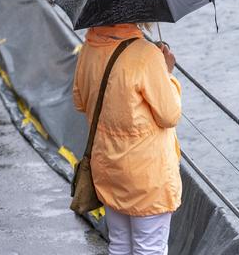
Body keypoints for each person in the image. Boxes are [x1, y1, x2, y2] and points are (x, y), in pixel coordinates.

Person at [72, 23, 182, 255]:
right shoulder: (146, 54)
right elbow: (169, 115)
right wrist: (167, 74)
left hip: (108, 168)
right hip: (147, 175)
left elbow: (80, 101)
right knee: (150, 248)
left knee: (120, 245)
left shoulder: (89, 48)